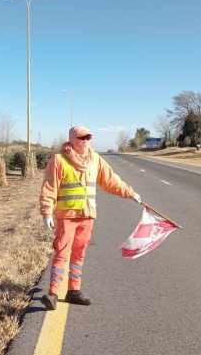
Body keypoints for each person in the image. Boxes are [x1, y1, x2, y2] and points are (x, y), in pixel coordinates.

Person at [39, 125, 141, 310]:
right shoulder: (59, 160)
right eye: (81, 137)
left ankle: (73, 291)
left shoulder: (95, 159)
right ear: (72, 138)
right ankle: (53, 293)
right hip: (66, 216)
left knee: (79, 254)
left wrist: (130, 193)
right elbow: (49, 187)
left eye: (87, 137)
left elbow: (111, 181)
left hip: (87, 216)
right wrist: (47, 212)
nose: (84, 141)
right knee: (62, 253)